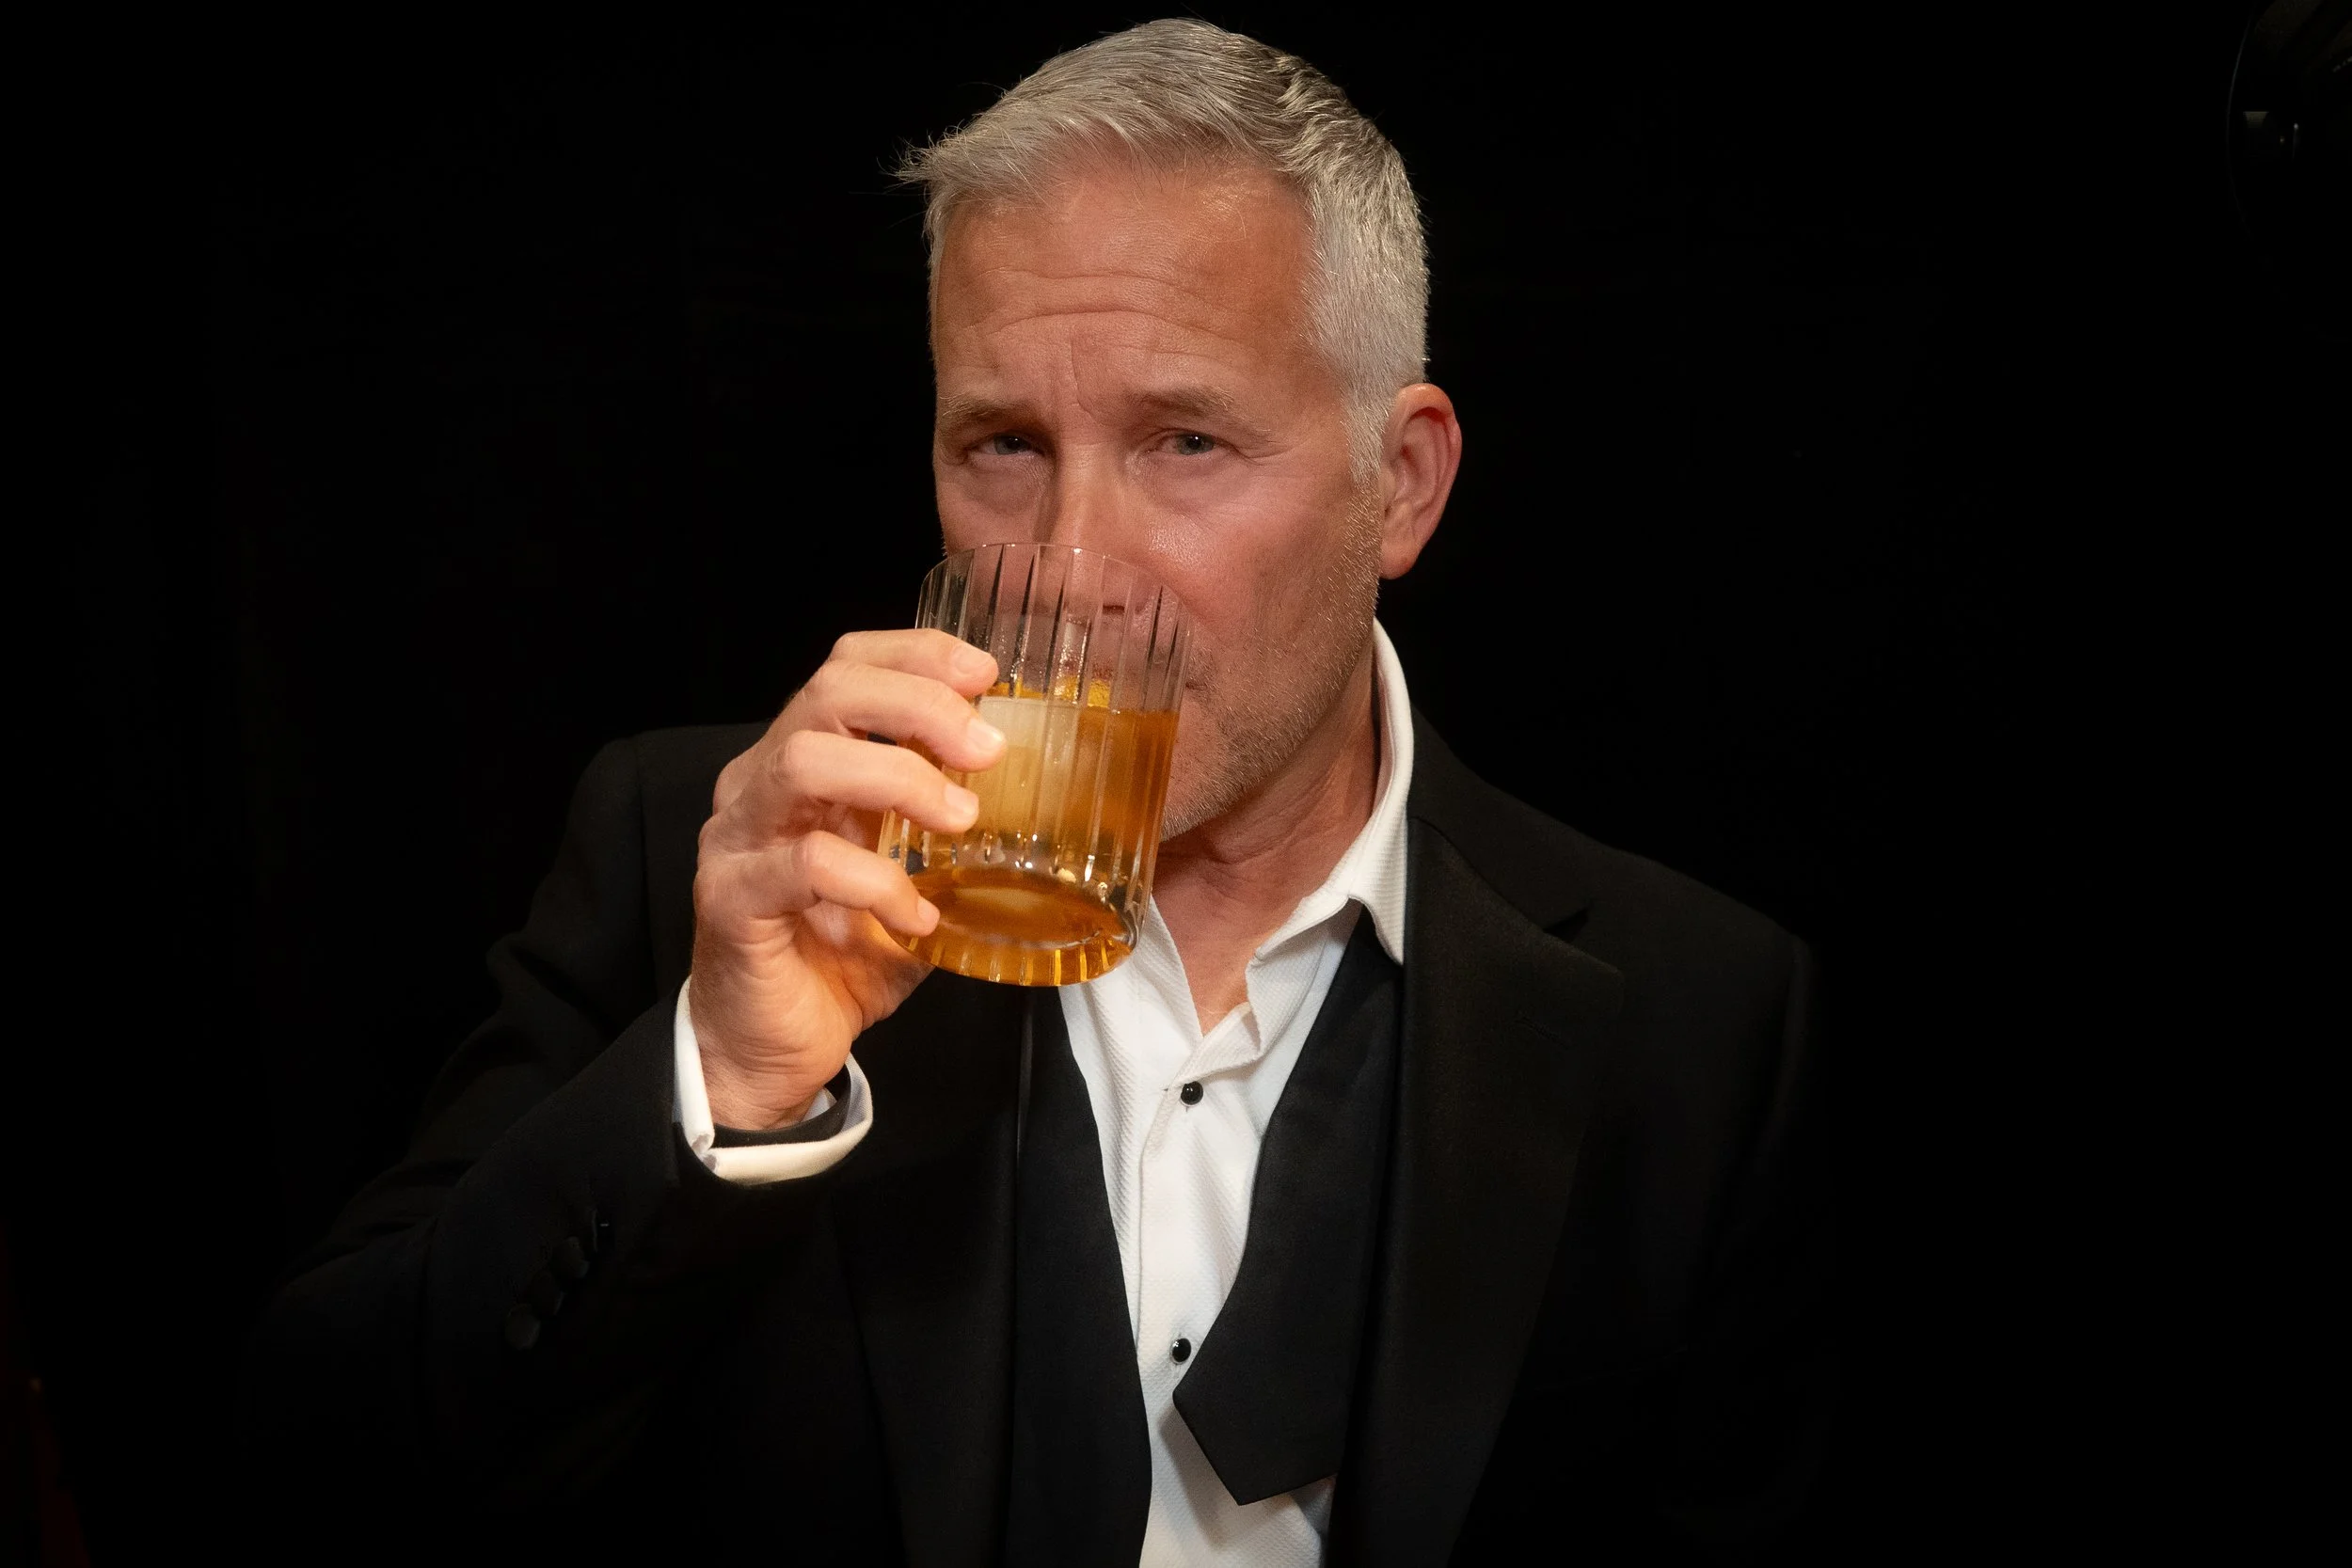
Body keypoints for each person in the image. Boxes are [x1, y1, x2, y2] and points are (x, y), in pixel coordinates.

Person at [246, 20, 1829, 1564]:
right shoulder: (708, 859)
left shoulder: (1698, 1013)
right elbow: (318, 1466)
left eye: (1185, 441)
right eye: (1004, 443)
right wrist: (724, 1079)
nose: (1071, 568)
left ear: (1398, 483)